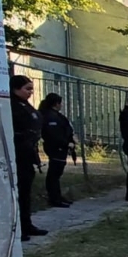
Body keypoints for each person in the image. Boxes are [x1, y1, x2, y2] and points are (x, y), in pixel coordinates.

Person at [10, 76, 48, 240]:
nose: (31, 92)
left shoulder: (26, 105)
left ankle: (27, 224)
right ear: (16, 89)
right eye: (27, 89)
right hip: (17, 154)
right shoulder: (12, 106)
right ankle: (18, 228)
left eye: (32, 89)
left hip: (28, 154)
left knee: (25, 193)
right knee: (17, 193)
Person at [39, 92, 76, 208]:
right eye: (60, 103)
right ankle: (54, 198)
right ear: (56, 104)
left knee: (56, 174)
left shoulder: (56, 116)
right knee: (54, 174)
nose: (62, 105)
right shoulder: (49, 116)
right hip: (56, 148)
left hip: (61, 148)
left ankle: (58, 196)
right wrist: (67, 144)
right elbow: (53, 135)